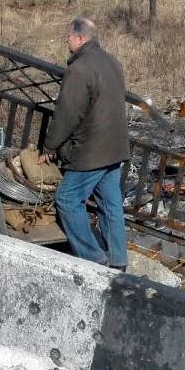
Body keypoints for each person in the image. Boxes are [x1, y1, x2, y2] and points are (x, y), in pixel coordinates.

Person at [38, 18, 130, 270]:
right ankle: (118, 259)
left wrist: (49, 146)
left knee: (67, 199)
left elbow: (68, 113)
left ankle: (93, 258)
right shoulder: (112, 61)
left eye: (68, 37)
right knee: (110, 204)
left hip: (92, 149)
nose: (66, 41)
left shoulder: (79, 69)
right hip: (115, 145)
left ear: (80, 38)